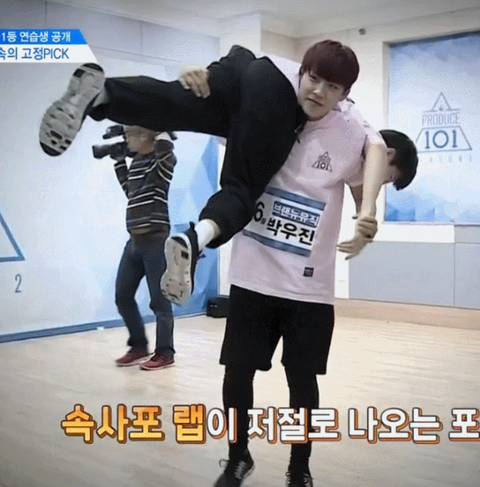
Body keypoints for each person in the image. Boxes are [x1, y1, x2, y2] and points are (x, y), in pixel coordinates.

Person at [38, 41, 388, 306]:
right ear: (306, 73)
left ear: (342, 91)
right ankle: (196, 239)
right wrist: (368, 210)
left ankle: (102, 94)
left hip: (241, 64)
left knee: (173, 104)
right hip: (269, 96)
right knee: (242, 188)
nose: (320, 92)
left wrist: (205, 71)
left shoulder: (293, 67)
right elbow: (375, 147)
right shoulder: (346, 112)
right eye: (315, 80)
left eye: (331, 87)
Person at [211, 117, 418, 487]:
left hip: (309, 291)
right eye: (387, 178)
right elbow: (224, 127)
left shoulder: (354, 147)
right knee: (237, 373)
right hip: (253, 278)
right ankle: (238, 456)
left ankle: (299, 467)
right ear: (387, 156)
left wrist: (366, 216)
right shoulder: (284, 119)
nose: (377, 184)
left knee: (302, 382)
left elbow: (362, 192)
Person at [113, 126, 177, 371]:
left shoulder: (162, 162)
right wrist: (119, 162)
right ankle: (139, 346)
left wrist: (159, 132)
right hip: (134, 241)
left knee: (160, 301)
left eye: (129, 135)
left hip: (155, 241)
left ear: (143, 136)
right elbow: (131, 192)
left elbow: (167, 155)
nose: (126, 140)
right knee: (122, 296)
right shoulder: (137, 162)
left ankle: (165, 353)